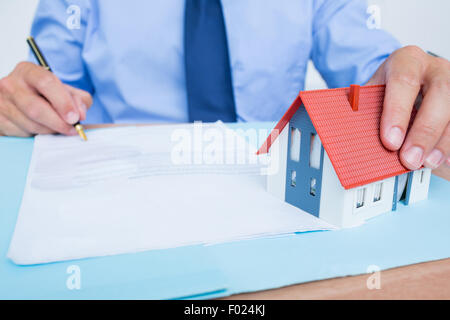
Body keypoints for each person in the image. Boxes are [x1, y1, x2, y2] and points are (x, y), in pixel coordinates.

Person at [0, 0, 448, 172]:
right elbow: (49, 90)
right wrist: (22, 105)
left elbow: (377, 72)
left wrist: (420, 79)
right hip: (126, 181)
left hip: (270, 184)